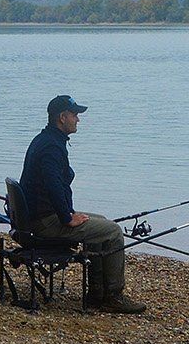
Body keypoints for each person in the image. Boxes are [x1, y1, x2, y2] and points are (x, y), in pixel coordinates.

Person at [20, 94, 146, 314]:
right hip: (45, 222)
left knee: (102, 223)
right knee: (114, 232)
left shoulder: (46, 140)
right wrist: (68, 218)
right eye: (75, 115)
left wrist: (69, 212)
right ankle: (114, 296)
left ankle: (97, 294)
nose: (78, 119)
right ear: (62, 117)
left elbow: (54, 186)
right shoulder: (51, 146)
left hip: (39, 216)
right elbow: (53, 186)